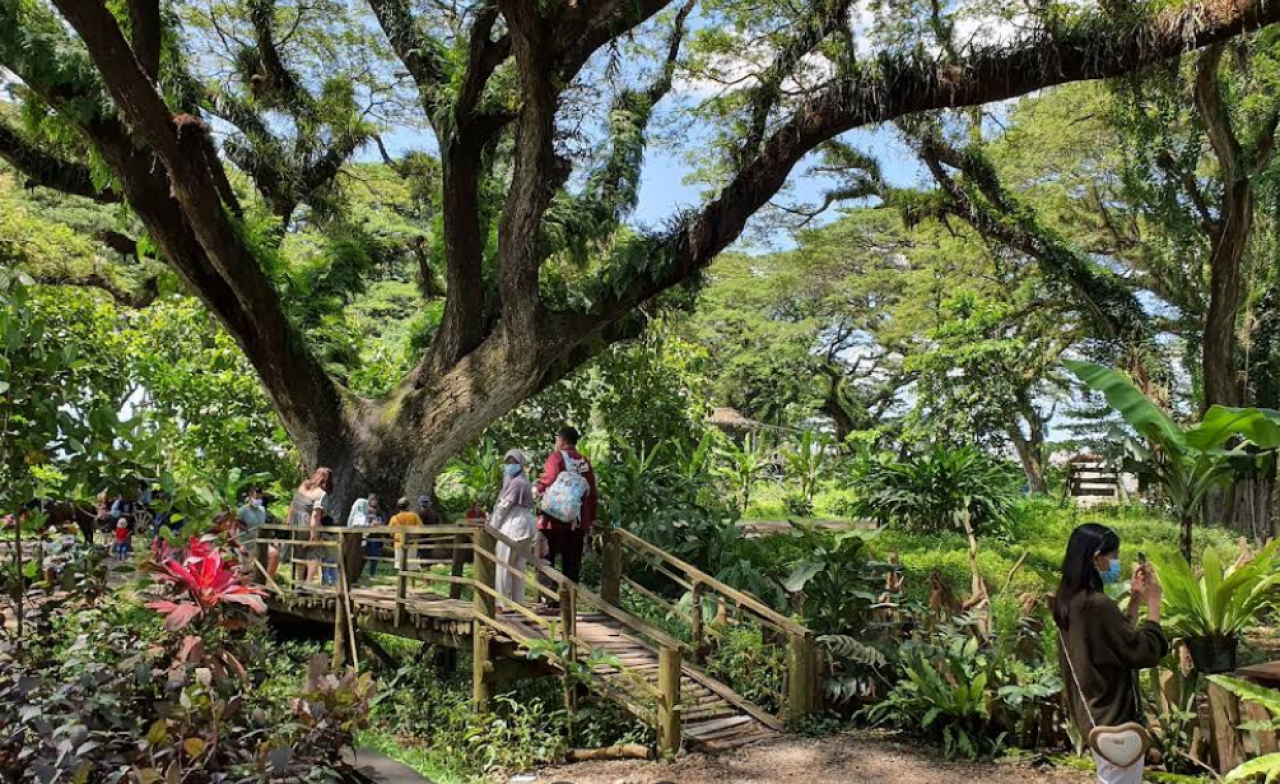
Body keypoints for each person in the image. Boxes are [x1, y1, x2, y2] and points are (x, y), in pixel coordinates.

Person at [1053, 523, 1166, 784]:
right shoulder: (1096, 605)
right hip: (1114, 717)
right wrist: (1154, 605)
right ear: (1096, 557)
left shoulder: (1070, 601)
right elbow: (1142, 652)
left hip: (1093, 713)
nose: (1116, 563)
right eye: (1113, 556)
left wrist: (1135, 601)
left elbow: (1115, 640)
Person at [534, 426, 598, 600]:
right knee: (572, 565)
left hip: (552, 522)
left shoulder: (556, 457)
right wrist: (590, 520)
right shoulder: (584, 461)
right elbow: (592, 493)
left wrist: (537, 490)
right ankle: (569, 604)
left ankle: (549, 601)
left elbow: (548, 478)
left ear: (561, 440)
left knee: (545, 560)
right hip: (577, 522)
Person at [490, 450, 537, 606]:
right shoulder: (524, 481)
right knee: (518, 567)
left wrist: (491, 527)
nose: (510, 466)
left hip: (513, 526)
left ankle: (501, 604)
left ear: (520, 464)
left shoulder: (516, 483)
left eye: (514, 462)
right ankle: (518, 603)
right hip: (526, 526)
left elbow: (504, 507)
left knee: (503, 565)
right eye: (508, 462)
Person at [282, 467, 333, 583]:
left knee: (300, 554)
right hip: (307, 524)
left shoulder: (304, 485)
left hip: (295, 524)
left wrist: (288, 519)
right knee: (315, 553)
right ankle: (308, 583)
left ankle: (300, 582)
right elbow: (315, 515)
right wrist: (313, 535)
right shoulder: (321, 493)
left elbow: (293, 503)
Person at [389, 497, 422, 568]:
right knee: (411, 566)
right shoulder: (414, 515)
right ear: (408, 506)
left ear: (398, 507)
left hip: (399, 543)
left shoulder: (394, 518)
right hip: (412, 543)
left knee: (400, 565)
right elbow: (421, 528)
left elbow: (391, 533)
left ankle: (401, 578)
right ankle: (411, 579)